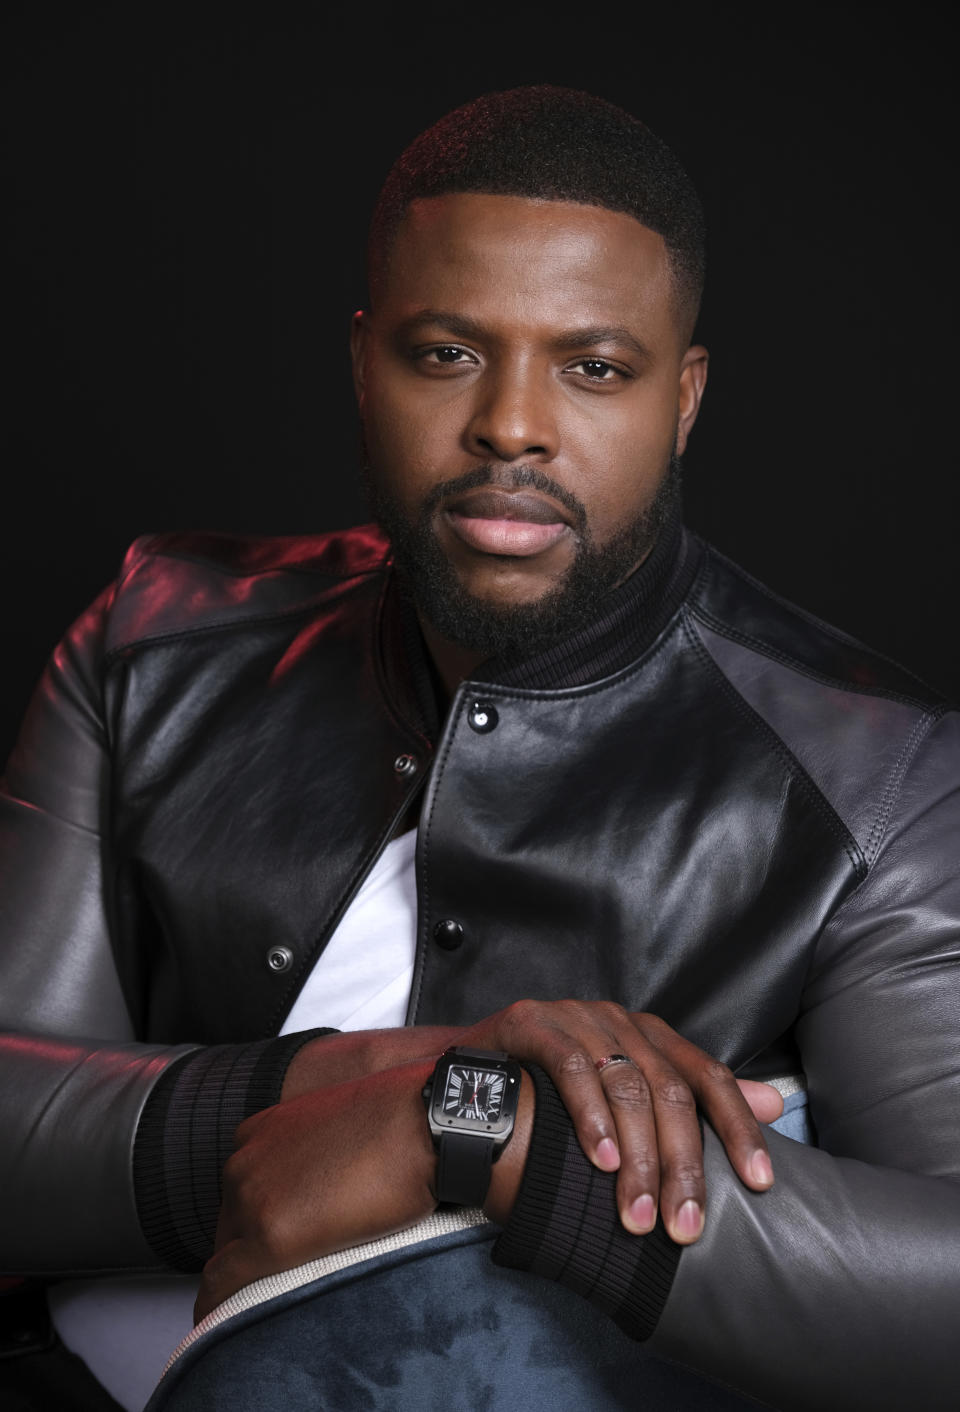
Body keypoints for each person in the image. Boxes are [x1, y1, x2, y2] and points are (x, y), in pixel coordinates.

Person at [1, 85, 958, 1412]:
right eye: (447, 352)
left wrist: (486, 1136)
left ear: (683, 399)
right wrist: (354, 1094)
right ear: (361, 359)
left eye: (595, 368)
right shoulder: (154, 638)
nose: (511, 423)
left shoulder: (880, 777)